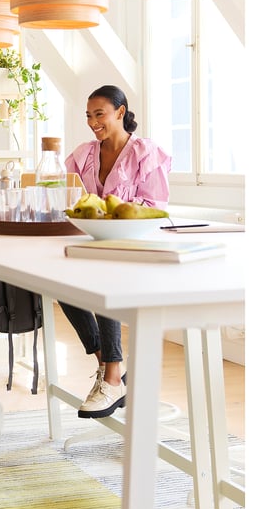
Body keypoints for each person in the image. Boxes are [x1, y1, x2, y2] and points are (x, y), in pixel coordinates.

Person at [61, 84, 171, 419]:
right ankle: (110, 364)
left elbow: (157, 205)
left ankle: (111, 377)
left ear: (120, 112)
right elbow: (70, 198)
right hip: (96, 242)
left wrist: (110, 212)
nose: (93, 122)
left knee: (102, 278)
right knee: (59, 283)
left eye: (100, 114)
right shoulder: (83, 154)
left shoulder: (146, 153)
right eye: (89, 116)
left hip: (139, 244)